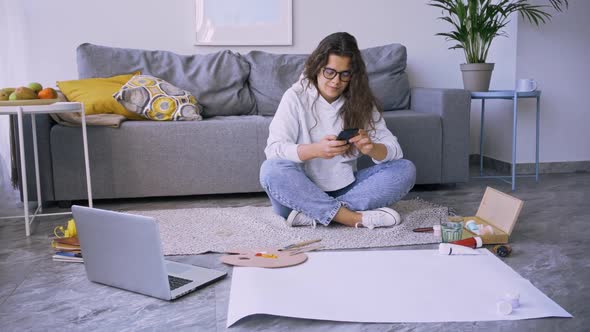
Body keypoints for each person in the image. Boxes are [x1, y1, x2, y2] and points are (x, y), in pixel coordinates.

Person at [259, 32, 416, 229]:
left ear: (353, 75)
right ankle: (353, 218)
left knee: (404, 169)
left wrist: (372, 148)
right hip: (300, 190)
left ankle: (317, 214)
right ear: (317, 68)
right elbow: (274, 150)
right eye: (329, 72)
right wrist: (316, 150)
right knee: (271, 170)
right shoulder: (295, 97)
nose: (335, 81)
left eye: (344, 74)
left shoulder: (360, 101)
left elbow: (394, 150)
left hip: (346, 188)